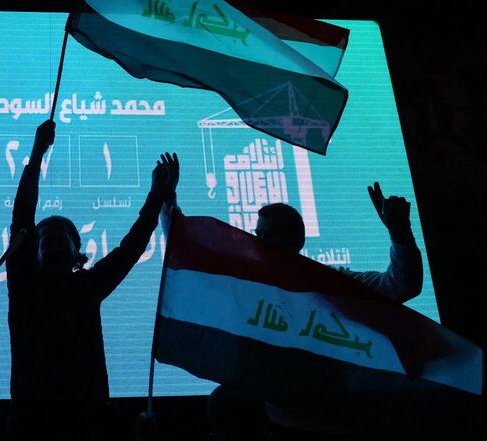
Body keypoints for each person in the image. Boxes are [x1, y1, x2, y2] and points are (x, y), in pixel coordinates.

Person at [168, 182, 423, 440]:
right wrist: (167, 202)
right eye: (257, 235)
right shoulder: (247, 287)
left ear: (295, 241)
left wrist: (400, 233)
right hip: (274, 423)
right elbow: (189, 259)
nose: (259, 243)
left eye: (268, 236)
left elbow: (400, 286)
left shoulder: (327, 285)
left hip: (332, 423)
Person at [5, 119, 179, 441]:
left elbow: (132, 246)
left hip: (88, 420)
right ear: (33, 249)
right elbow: (23, 212)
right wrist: (38, 151)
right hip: (31, 422)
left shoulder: (88, 286)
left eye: (63, 238)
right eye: (46, 237)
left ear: (77, 253)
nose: (54, 241)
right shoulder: (23, 282)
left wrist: (157, 195)